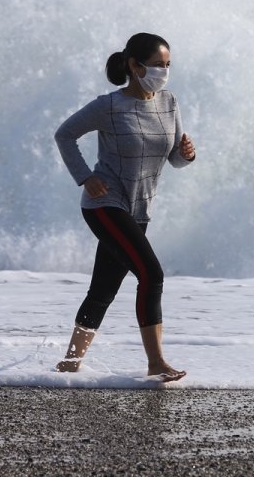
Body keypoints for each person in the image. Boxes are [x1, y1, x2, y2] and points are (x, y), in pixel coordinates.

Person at [53, 32, 195, 382]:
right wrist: (86, 177)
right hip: (105, 204)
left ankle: (69, 363)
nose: (163, 71)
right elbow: (65, 134)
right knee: (151, 273)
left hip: (139, 208)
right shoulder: (109, 106)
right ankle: (156, 362)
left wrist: (186, 155)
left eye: (167, 65)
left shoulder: (169, 102)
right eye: (157, 65)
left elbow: (174, 157)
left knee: (104, 288)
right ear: (134, 65)